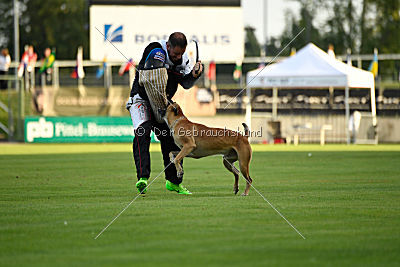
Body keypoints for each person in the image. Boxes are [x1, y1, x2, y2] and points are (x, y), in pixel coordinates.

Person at [126, 32, 203, 195]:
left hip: (161, 103)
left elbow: (186, 84)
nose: (178, 57)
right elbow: (154, 66)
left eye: (181, 54)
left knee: (171, 138)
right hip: (142, 98)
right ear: (168, 46)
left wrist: (195, 75)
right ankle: (143, 178)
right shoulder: (155, 50)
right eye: (175, 53)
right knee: (142, 132)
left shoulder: (183, 59)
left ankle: (174, 182)